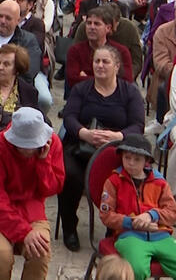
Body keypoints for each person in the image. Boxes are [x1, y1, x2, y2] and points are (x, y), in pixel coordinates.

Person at [59, 44, 145, 251]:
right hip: (80, 148)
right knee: (68, 174)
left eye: (105, 61)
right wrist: (84, 133)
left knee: (124, 177)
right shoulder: (82, 89)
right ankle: (69, 227)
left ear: (116, 66)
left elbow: (138, 125)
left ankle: (113, 227)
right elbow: (68, 117)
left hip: (116, 152)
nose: (99, 65)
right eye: (96, 61)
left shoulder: (129, 92)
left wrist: (117, 136)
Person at [0, 106, 64, 280]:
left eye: (31, 145)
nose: (27, 150)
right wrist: (24, 232)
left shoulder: (52, 143)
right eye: (22, 145)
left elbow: (53, 188)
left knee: (41, 254)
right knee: (1, 257)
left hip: (32, 211)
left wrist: (43, 162)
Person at [98, 133, 176, 280]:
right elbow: (106, 215)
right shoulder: (114, 181)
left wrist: (152, 215)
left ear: (147, 161)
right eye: (127, 158)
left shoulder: (160, 183)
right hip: (129, 235)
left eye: (137, 159)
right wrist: (132, 222)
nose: (131, 163)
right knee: (136, 270)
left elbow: (172, 212)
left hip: (161, 235)